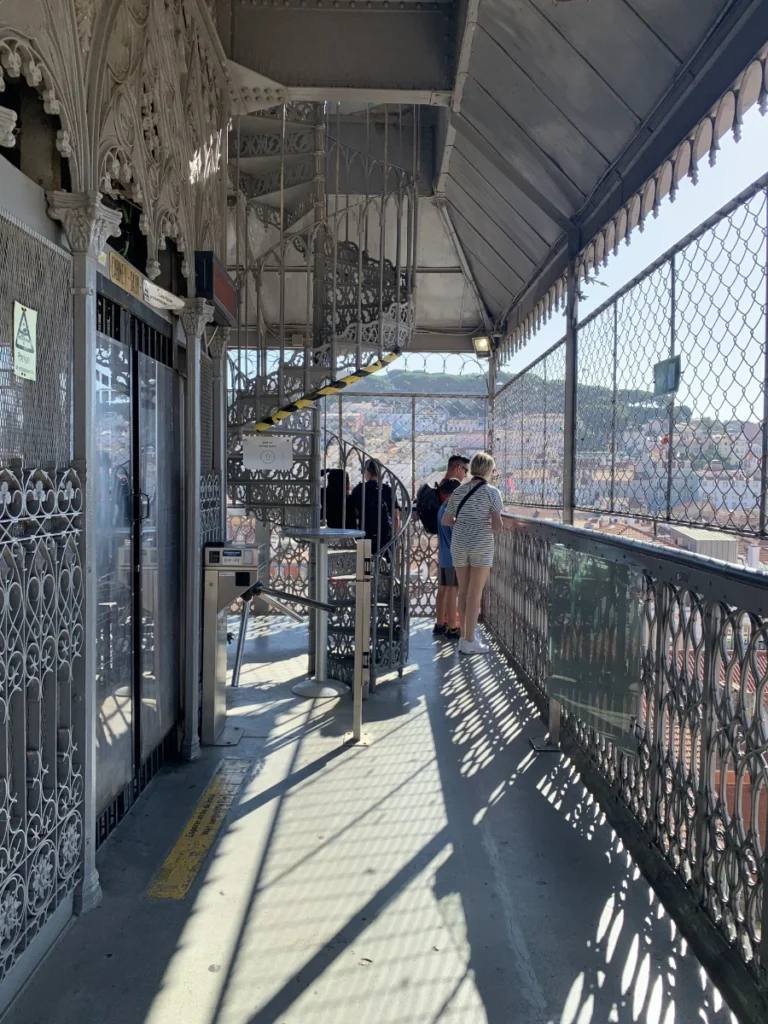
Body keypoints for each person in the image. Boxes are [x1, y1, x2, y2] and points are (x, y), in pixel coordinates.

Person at [442, 451, 503, 655]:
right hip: (481, 545)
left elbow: (446, 520)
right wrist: (481, 523)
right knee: (475, 594)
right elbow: (497, 525)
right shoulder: (492, 493)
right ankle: (470, 640)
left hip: (459, 543)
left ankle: (463, 639)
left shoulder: (459, 491)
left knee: (464, 592)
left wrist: (463, 523)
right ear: (488, 470)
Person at [349, 459, 400, 554]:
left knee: (365, 565)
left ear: (367, 471)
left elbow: (352, 514)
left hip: (364, 535)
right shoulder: (387, 490)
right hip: (384, 535)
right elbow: (396, 517)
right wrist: (395, 538)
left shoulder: (359, 490)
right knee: (384, 564)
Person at [433, 477, 461, 639]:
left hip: (444, 555)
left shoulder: (442, 509)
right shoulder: (451, 512)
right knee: (452, 590)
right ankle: (452, 627)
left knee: (442, 590)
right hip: (453, 556)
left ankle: (439, 624)